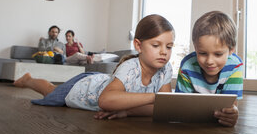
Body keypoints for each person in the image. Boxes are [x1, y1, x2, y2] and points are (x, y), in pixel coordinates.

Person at [14, 14, 174, 119]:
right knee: (50, 91)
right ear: (138, 46)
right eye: (155, 45)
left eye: (169, 47)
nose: (163, 52)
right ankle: (28, 80)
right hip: (86, 88)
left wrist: (127, 111)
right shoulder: (130, 67)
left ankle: (29, 80)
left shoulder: (165, 69)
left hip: (102, 81)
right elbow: (105, 101)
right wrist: (155, 98)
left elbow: (162, 108)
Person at [175, 11, 243, 127]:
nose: (209, 61)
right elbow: (181, 105)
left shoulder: (235, 66)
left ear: (231, 50)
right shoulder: (187, 66)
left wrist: (231, 114)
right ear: (195, 48)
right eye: (202, 53)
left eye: (218, 54)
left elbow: (230, 106)